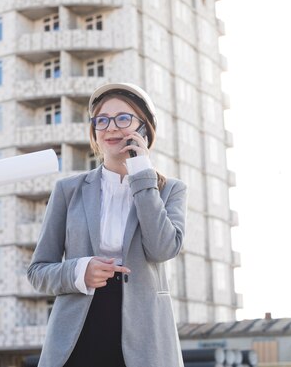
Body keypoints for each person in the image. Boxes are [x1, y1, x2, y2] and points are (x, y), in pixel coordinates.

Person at [28, 83, 187, 367]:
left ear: (144, 129)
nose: (111, 127)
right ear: (94, 132)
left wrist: (142, 174)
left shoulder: (170, 190)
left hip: (145, 340)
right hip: (77, 336)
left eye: (123, 118)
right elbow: (38, 271)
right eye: (102, 120)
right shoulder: (68, 190)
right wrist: (79, 271)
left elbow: (162, 249)